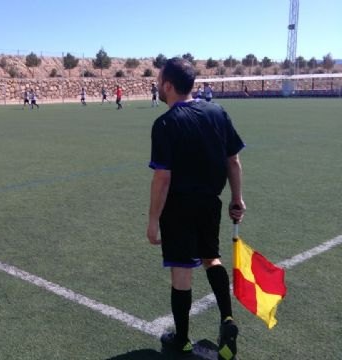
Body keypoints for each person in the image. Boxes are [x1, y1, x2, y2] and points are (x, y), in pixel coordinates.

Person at [147, 58, 245, 359]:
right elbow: (233, 160)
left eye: (160, 80)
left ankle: (183, 340)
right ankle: (227, 319)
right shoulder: (217, 112)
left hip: (179, 207)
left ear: (168, 85)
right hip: (210, 203)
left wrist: (152, 220)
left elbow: (163, 178)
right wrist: (237, 198)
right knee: (211, 258)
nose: (158, 85)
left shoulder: (165, 123)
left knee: (182, 270)